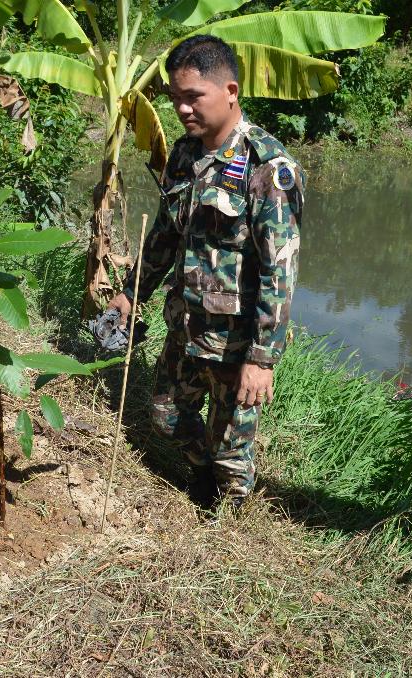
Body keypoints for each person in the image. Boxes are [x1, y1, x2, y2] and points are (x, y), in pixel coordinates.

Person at [106, 35, 305, 509]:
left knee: (233, 450)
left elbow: (281, 273)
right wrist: (132, 292)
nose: (181, 109)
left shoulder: (268, 168)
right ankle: (200, 478)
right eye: (175, 98)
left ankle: (230, 517)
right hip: (186, 324)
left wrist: (261, 359)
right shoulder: (183, 155)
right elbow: (163, 235)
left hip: (235, 343)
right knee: (163, 413)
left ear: (230, 91)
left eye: (193, 96)